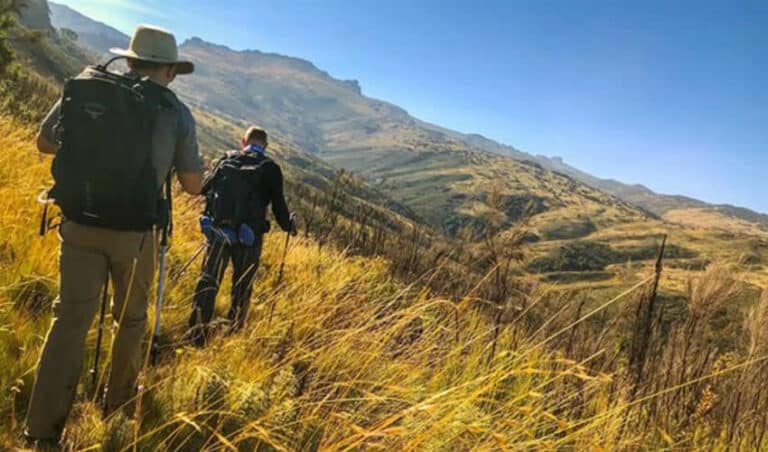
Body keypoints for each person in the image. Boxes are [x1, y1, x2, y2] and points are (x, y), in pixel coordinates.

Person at [25, 25, 204, 444]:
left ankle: (40, 431)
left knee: (69, 321)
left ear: (130, 58)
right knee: (130, 322)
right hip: (136, 235)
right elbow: (193, 185)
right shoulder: (175, 112)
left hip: (79, 223)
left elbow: (44, 142)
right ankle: (116, 412)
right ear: (171, 71)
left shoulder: (89, 87)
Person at [188, 126, 296, 346]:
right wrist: (288, 226)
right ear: (265, 146)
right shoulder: (270, 168)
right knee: (242, 286)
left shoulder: (226, 159)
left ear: (243, 141)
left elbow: (204, 187)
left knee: (209, 282)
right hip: (249, 237)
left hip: (219, 232)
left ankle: (197, 335)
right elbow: (278, 206)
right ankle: (233, 337)